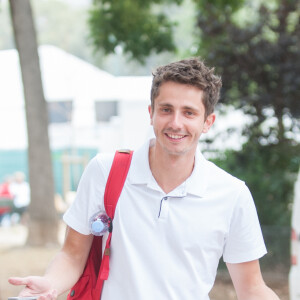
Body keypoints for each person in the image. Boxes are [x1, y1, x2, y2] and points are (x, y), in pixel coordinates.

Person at [8, 58, 280, 300]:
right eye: (166, 109)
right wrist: (50, 283)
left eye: (189, 112)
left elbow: (252, 289)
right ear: (150, 113)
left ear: (208, 122)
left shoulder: (232, 195)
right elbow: (72, 255)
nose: (175, 123)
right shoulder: (105, 171)